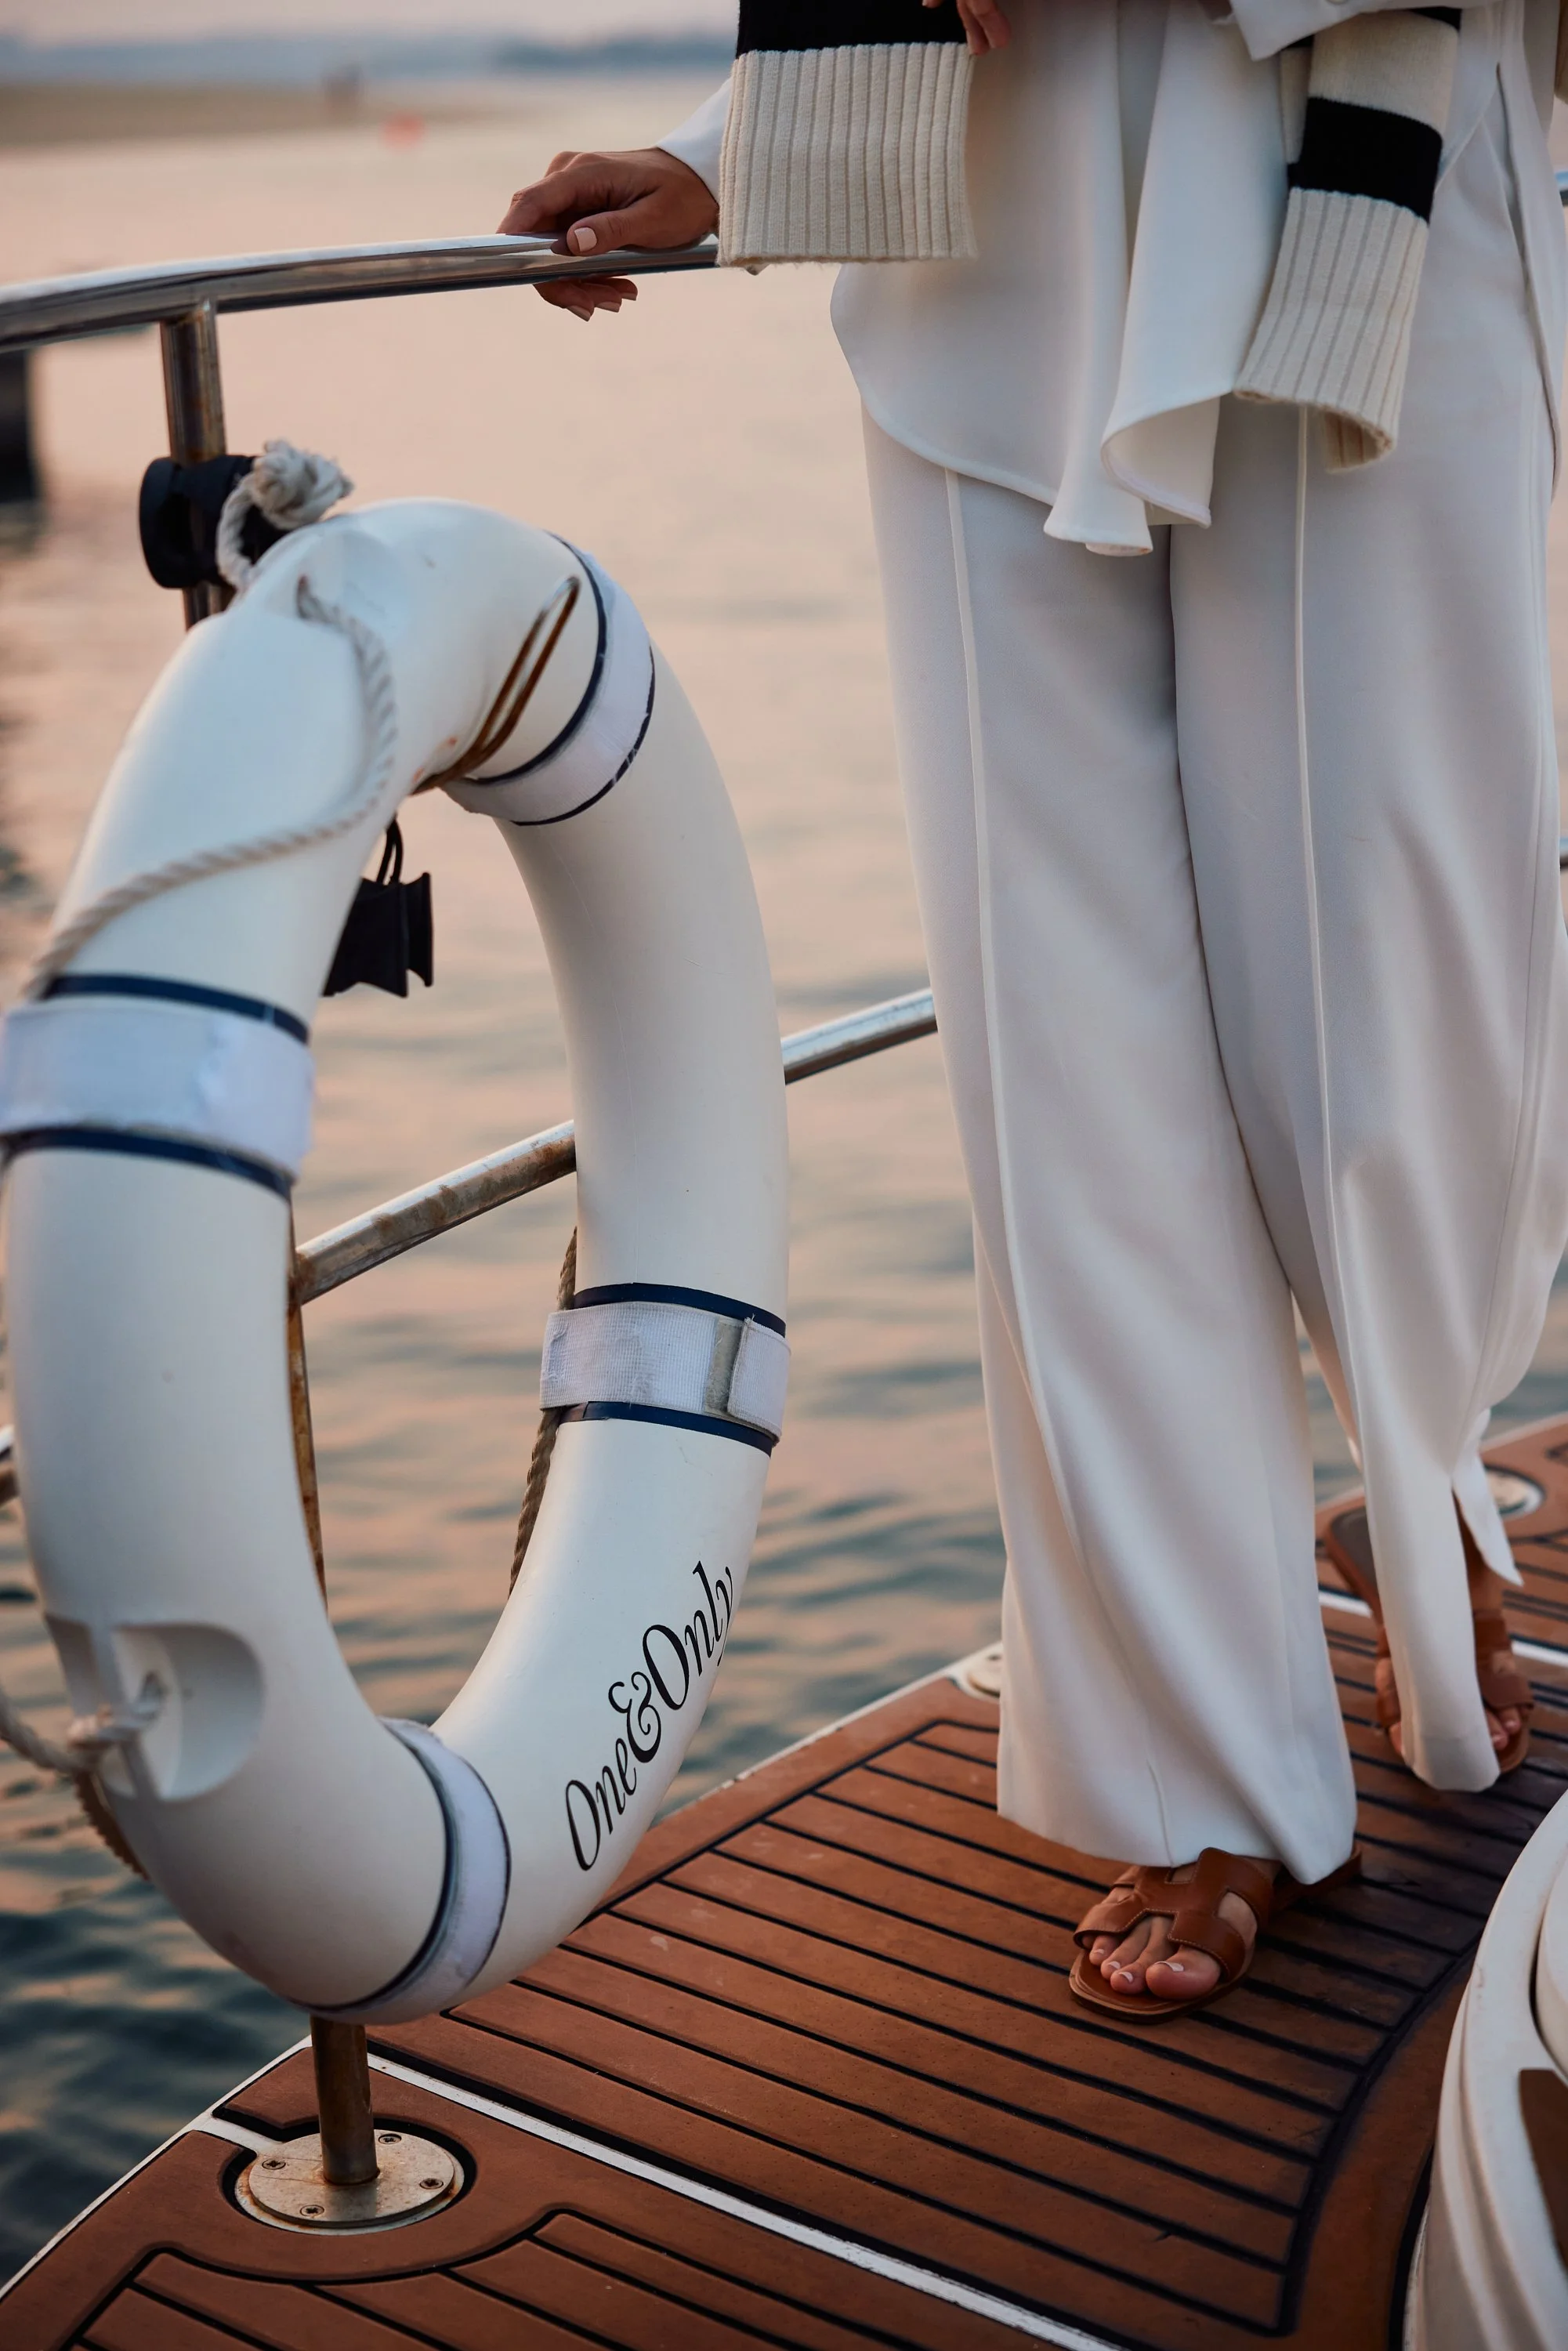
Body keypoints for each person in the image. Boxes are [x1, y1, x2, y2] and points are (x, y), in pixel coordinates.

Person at [498, 0, 1568, 2019]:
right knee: (1066, 1060)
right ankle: (1204, 1764)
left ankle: (1433, 1503)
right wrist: (738, 143)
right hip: (992, 202)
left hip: (1383, 169)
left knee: (1384, 1033)